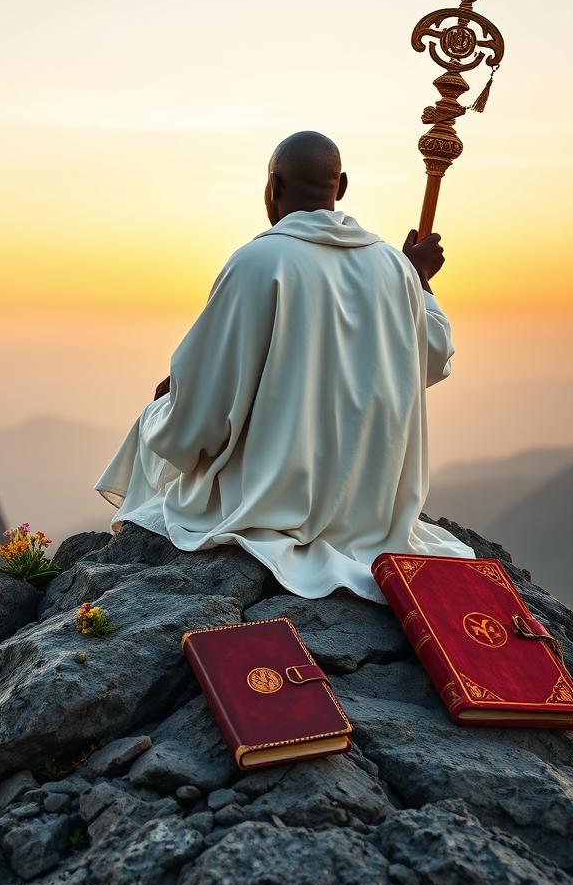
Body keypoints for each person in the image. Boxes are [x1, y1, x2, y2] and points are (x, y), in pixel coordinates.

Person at [94, 131, 474, 602]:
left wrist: (177, 398)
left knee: (157, 418)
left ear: (272, 186)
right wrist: (418, 281)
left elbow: (204, 412)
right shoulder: (393, 266)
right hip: (369, 502)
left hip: (273, 494)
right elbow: (431, 355)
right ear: (343, 186)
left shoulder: (259, 260)